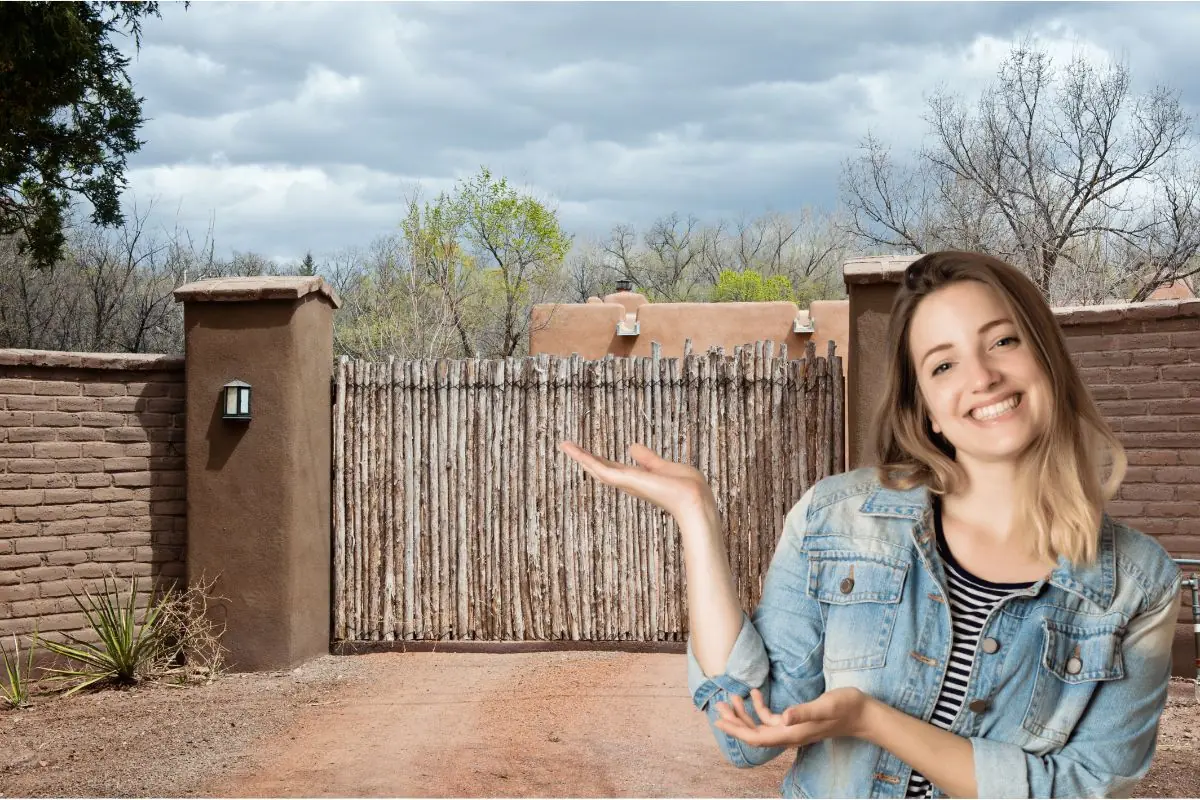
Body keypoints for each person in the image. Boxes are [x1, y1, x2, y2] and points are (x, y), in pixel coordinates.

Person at [559, 251, 1181, 798]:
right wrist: (696, 516)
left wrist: (872, 720)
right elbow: (748, 736)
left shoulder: (1137, 583)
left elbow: (1082, 789)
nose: (982, 377)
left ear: (1046, 356)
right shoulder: (840, 518)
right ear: (927, 410)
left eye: (1003, 341)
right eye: (943, 366)